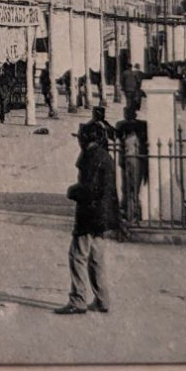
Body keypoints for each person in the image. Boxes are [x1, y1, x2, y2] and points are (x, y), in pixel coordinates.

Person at [56, 118, 120, 315]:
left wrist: (72, 191)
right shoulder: (104, 156)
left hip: (89, 215)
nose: (78, 141)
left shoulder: (90, 157)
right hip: (103, 216)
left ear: (86, 138)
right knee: (96, 257)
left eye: (80, 137)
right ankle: (102, 299)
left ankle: (78, 299)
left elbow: (89, 188)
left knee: (77, 255)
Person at [113, 105, 146, 224]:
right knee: (128, 186)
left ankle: (133, 213)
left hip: (134, 159)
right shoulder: (138, 125)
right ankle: (129, 211)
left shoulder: (123, 125)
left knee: (132, 187)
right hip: (129, 159)